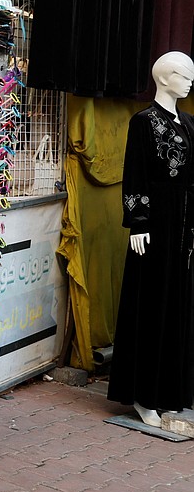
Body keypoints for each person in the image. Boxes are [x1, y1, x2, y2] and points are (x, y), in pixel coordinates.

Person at [108, 51, 194, 427]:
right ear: (163, 78)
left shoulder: (189, 123)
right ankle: (143, 394)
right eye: (183, 74)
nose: (190, 81)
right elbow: (136, 172)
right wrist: (138, 222)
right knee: (151, 301)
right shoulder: (143, 122)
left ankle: (168, 392)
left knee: (176, 302)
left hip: (182, 225)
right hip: (155, 222)